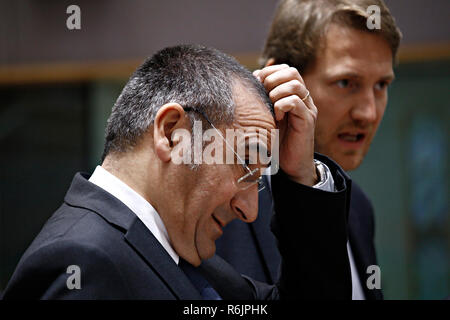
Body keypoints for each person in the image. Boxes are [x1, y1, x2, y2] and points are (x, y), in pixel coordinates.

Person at [2, 44, 352, 299]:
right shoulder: (81, 260)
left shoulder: (180, 251)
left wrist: (302, 174)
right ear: (172, 133)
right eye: (246, 164)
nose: (250, 210)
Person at [216, 0, 402, 300]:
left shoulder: (359, 209)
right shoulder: (221, 207)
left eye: (381, 85)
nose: (368, 112)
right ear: (278, 82)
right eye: (346, 82)